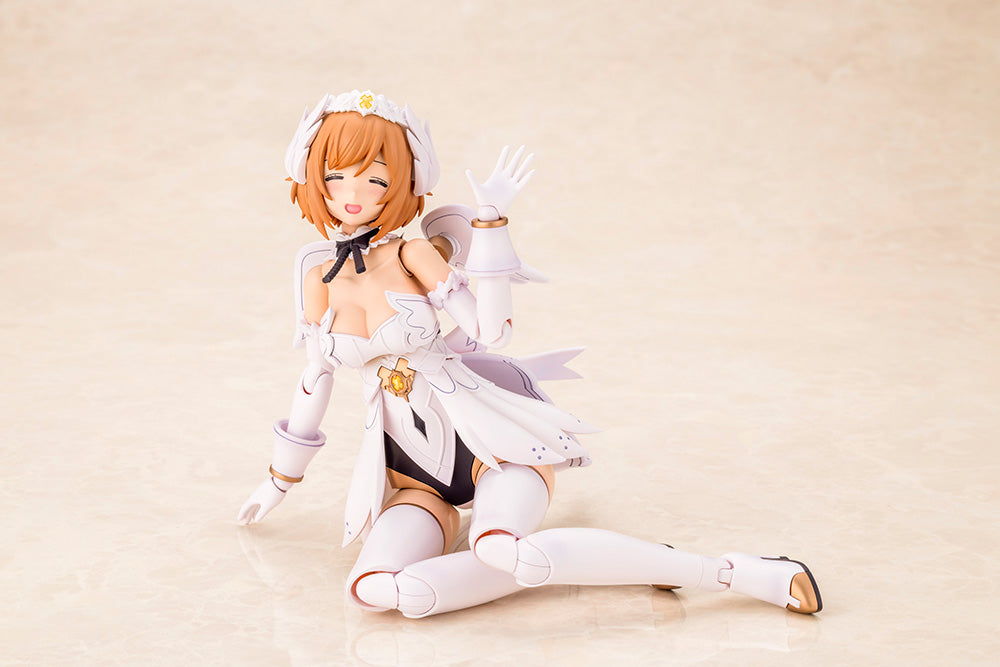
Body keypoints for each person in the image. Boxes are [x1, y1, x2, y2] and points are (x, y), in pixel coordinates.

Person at [237, 90, 823, 618]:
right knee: (376, 590)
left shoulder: (414, 254)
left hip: (492, 448)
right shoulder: (317, 272)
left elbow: (491, 332)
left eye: (376, 179)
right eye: (337, 176)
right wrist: (280, 481)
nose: (353, 194)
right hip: (410, 475)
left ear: (405, 183)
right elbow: (315, 378)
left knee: (503, 548)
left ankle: (729, 573)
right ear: (312, 177)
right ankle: (591, 561)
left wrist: (491, 224)